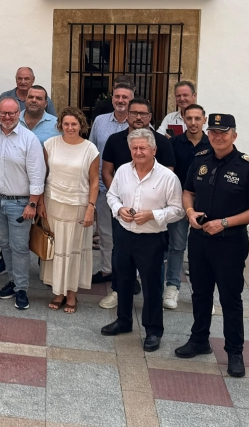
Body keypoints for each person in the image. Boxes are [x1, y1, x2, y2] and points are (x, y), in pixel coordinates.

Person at [176, 113, 249, 377]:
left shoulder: (248, 167)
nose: (217, 136)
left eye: (223, 132)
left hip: (230, 242)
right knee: (200, 293)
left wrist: (225, 223)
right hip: (200, 239)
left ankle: (235, 352)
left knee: (230, 298)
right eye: (213, 132)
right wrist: (190, 212)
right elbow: (188, 190)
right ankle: (199, 340)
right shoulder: (200, 160)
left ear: (234, 136)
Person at [102, 129, 184, 352]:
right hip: (124, 234)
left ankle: (153, 331)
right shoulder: (122, 171)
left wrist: (153, 215)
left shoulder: (168, 178)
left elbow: (178, 210)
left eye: (143, 148)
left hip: (152, 237)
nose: (138, 152)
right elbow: (112, 195)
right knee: (124, 281)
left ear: (154, 150)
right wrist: (119, 209)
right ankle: (123, 321)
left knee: (152, 287)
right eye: (134, 148)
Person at [98, 98, 177, 308]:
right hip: (123, 212)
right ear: (127, 115)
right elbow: (107, 172)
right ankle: (119, 291)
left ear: (150, 117)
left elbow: (166, 177)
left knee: (154, 263)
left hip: (152, 218)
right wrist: (119, 204)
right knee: (120, 255)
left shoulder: (162, 142)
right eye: (134, 113)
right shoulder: (115, 140)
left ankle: (154, 297)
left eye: (143, 113)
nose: (138, 117)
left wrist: (151, 211)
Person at [0, 97, 45, 310]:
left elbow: (37, 174)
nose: (7, 117)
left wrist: (33, 204)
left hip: (20, 203)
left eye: (11, 113)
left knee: (19, 247)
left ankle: (21, 289)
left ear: (18, 113)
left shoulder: (29, 139)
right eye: (3, 113)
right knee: (4, 245)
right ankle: (12, 280)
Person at [40, 108, 100, 313]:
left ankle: (72, 294)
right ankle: (58, 292)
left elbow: (94, 182)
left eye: (74, 124)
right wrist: (40, 203)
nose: (70, 127)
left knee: (73, 252)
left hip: (78, 205)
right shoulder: (50, 145)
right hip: (53, 202)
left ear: (81, 125)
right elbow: (42, 174)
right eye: (66, 124)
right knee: (57, 251)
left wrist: (91, 208)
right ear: (60, 125)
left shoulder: (90, 149)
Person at [164, 103, 210, 309]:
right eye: (189, 118)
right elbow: (168, 174)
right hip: (179, 204)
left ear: (204, 120)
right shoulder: (174, 144)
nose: (193, 122)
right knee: (176, 247)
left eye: (197, 118)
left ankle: (203, 293)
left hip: (207, 206)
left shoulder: (213, 145)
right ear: (183, 119)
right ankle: (172, 287)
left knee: (203, 250)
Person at [89, 81, 133, 284]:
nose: (121, 100)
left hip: (130, 193)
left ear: (131, 99)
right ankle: (107, 269)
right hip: (103, 187)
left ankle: (128, 274)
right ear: (112, 98)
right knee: (105, 233)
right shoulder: (100, 121)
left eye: (125, 97)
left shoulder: (139, 124)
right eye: (117, 96)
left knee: (128, 235)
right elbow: (91, 150)